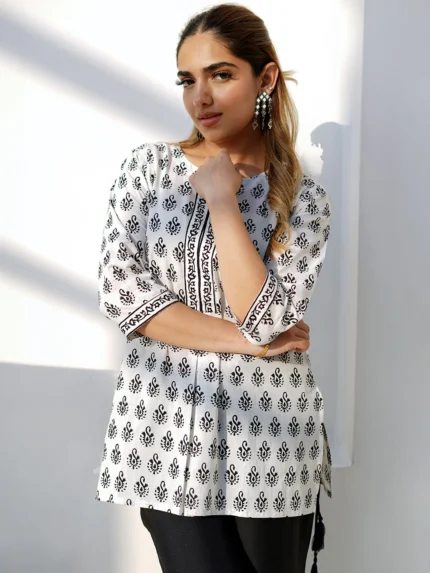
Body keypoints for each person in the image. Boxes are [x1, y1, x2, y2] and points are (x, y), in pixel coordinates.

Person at [95, 3, 333, 572]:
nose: (200, 97)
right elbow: (123, 295)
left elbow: (267, 318)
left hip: (271, 444)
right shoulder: (148, 171)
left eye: (220, 75)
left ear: (265, 78)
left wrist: (224, 201)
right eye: (187, 80)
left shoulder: (303, 200)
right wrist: (252, 343)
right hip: (164, 434)